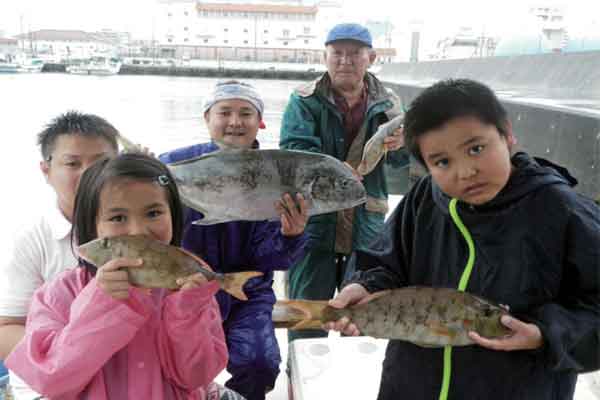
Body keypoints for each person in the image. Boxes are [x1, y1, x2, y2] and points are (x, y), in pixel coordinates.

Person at [325, 79, 600, 399]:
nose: (465, 171)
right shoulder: (423, 199)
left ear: (507, 133)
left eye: (476, 148)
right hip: (411, 385)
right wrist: (365, 286)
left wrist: (545, 334)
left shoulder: (563, 210)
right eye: (442, 161)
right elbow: (384, 260)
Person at [5, 153, 229, 399]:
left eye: (153, 213)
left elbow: (197, 376)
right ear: (93, 228)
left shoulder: (191, 289)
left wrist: (187, 313)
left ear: (174, 216)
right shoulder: (59, 293)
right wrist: (103, 303)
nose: (138, 231)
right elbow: (50, 380)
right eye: (118, 218)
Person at [159, 80, 308, 400]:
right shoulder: (172, 163)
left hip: (247, 292)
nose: (235, 122)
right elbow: (147, 222)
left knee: (260, 363)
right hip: (184, 288)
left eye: (246, 113)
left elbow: (271, 259)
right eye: (224, 112)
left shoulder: (279, 173)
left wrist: (290, 235)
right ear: (207, 118)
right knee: (173, 366)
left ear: (260, 122)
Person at [279, 22, 409, 343]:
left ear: (372, 58)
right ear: (325, 57)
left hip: (367, 228)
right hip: (314, 225)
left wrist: (405, 144)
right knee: (306, 319)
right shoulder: (303, 100)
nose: (345, 61)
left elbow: (401, 163)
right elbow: (296, 153)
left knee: (362, 324)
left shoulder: (390, 104)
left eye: (355, 54)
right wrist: (338, 172)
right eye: (337, 53)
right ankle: (300, 379)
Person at [0, 111, 120, 400]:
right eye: (72, 163)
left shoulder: (147, 229)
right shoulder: (31, 237)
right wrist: (64, 364)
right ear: (46, 170)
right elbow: (7, 327)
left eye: (102, 162)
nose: (89, 173)